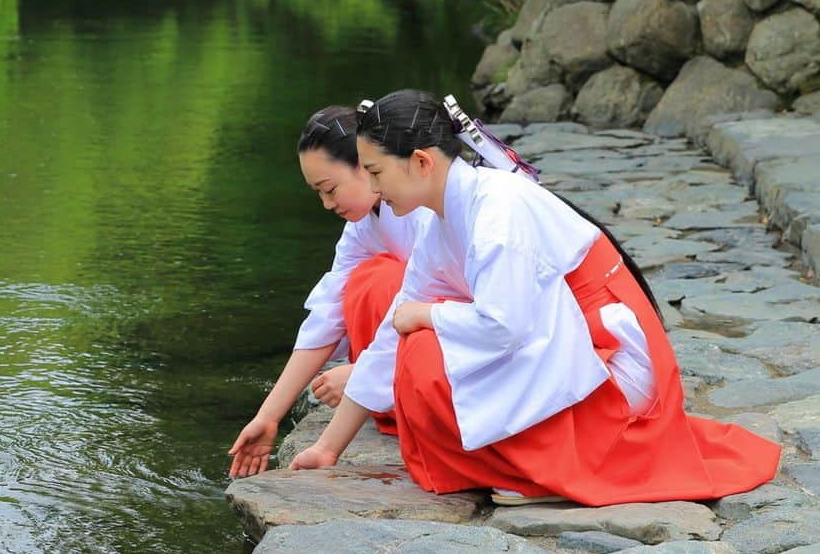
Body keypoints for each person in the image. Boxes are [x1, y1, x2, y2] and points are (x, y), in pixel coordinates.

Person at [289, 89, 781, 505]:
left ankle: (540, 467)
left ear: (420, 162)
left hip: (610, 353)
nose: (372, 187)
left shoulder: (499, 209)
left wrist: (429, 314)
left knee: (423, 349)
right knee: (414, 348)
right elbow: (389, 335)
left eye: (375, 173)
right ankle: (527, 461)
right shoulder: (444, 219)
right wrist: (330, 449)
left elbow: (504, 326)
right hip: (560, 334)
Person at [227, 105, 432, 479]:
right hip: (405, 355)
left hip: (456, 345)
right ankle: (391, 395)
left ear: (365, 163)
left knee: (384, 279)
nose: (326, 204)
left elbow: (442, 304)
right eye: (318, 193)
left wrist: (360, 371)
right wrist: (268, 416)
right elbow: (327, 319)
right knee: (364, 281)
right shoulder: (361, 228)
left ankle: (397, 390)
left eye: (330, 189)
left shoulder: (428, 210)